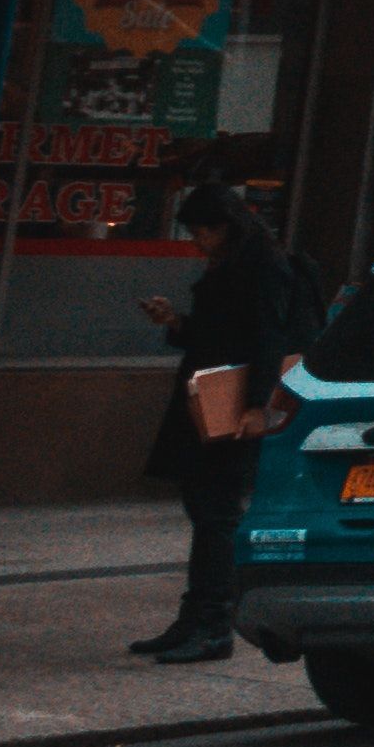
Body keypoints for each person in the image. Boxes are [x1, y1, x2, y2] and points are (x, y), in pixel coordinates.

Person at [133, 176, 305, 666]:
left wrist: (255, 406)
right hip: (208, 396)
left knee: (217, 513)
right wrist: (176, 323)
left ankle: (213, 622)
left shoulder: (263, 265)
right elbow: (218, 332)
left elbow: (267, 338)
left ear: (225, 227)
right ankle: (196, 616)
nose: (196, 242)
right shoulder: (233, 264)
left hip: (231, 403)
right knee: (205, 508)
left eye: (201, 232)